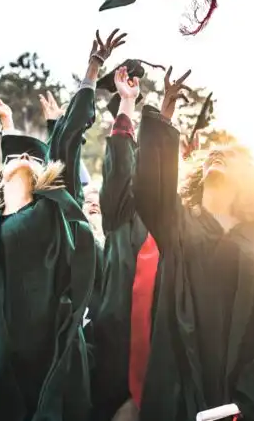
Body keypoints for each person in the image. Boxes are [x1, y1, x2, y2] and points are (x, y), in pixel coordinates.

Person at [0, 29, 120, 421]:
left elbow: (67, 141)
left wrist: (92, 73)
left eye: (33, 156)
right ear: (2, 170)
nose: (24, 157)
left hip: (53, 359)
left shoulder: (53, 211)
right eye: (15, 155)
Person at [132, 63, 254, 421]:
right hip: (182, 376)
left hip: (246, 389)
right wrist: (165, 116)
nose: (217, 155)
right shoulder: (177, 220)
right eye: (212, 155)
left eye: (231, 154)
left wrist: (249, 399)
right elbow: (150, 188)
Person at [88, 64, 160, 421]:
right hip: (116, 355)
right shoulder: (121, 218)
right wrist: (127, 104)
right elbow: (119, 167)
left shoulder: (179, 225)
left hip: (163, 360)